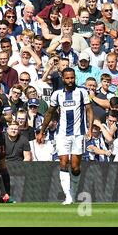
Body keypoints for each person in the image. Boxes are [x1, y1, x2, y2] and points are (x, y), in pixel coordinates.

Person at [36, 68, 93, 205]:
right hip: (62, 134)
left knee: (75, 167)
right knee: (63, 162)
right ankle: (68, 196)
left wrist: (90, 128)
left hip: (78, 134)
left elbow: (89, 110)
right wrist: (42, 131)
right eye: (67, 78)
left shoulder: (82, 92)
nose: (70, 80)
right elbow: (50, 112)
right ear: (63, 78)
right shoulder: (57, 94)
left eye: (72, 78)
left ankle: (73, 192)